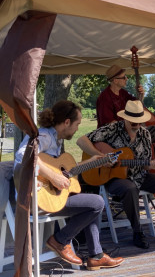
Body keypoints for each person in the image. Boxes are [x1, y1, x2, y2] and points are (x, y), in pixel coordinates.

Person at [14, 100, 124, 270]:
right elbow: (23, 155)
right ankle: (60, 240)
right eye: (77, 123)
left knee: (92, 202)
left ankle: (96, 256)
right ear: (66, 122)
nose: (78, 128)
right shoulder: (43, 136)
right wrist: (53, 177)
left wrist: (91, 163)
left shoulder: (55, 140)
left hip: (47, 196)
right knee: (97, 202)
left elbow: (63, 172)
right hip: (35, 197)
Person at [77, 100, 155, 249]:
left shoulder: (145, 134)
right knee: (130, 188)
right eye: (132, 120)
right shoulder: (112, 128)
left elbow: (145, 163)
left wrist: (151, 164)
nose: (135, 124)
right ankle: (137, 231)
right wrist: (100, 157)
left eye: (138, 121)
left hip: (138, 175)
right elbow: (81, 140)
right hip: (113, 178)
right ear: (125, 118)